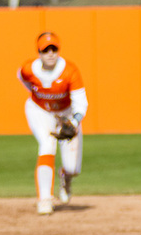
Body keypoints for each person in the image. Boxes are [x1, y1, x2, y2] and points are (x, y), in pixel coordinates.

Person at [17, 32, 88, 215]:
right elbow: (23, 79)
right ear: (39, 52)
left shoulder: (69, 71)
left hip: (66, 114)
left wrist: (73, 122)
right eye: (45, 50)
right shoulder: (28, 69)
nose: (50, 53)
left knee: (73, 168)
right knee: (47, 145)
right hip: (40, 110)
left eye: (54, 49)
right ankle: (45, 200)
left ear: (58, 50)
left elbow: (81, 102)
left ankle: (66, 177)